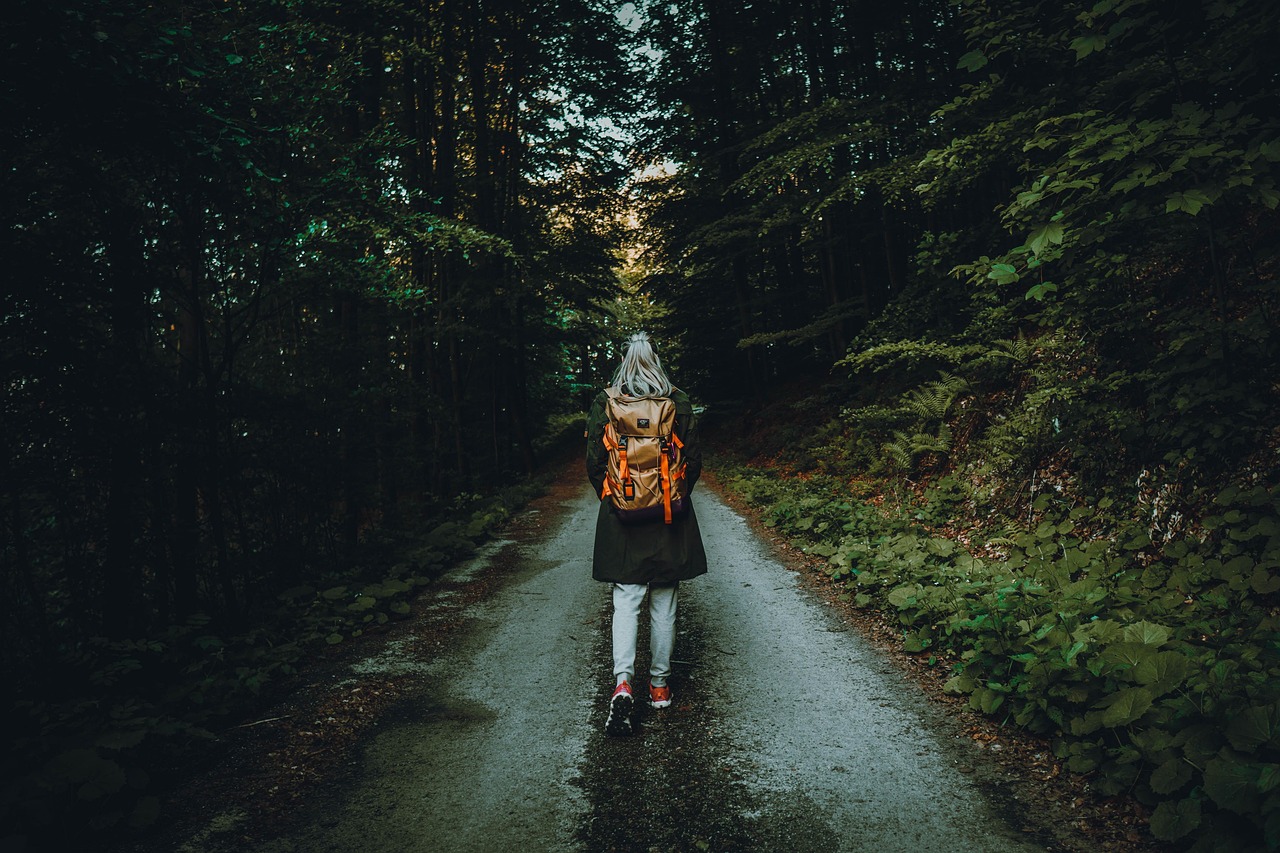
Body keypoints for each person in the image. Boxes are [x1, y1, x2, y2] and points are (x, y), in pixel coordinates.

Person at [585, 331, 707, 736]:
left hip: (623, 519)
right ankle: (659, 686)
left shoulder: (607, 401)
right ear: (656, 358)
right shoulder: (678, 400)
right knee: (664, 601)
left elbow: (594, 462)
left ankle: (623, 682)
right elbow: (693, 459)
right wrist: (673, 496)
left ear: (625, 359)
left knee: (626, 600)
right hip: (669, 516)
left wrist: (617, 500)